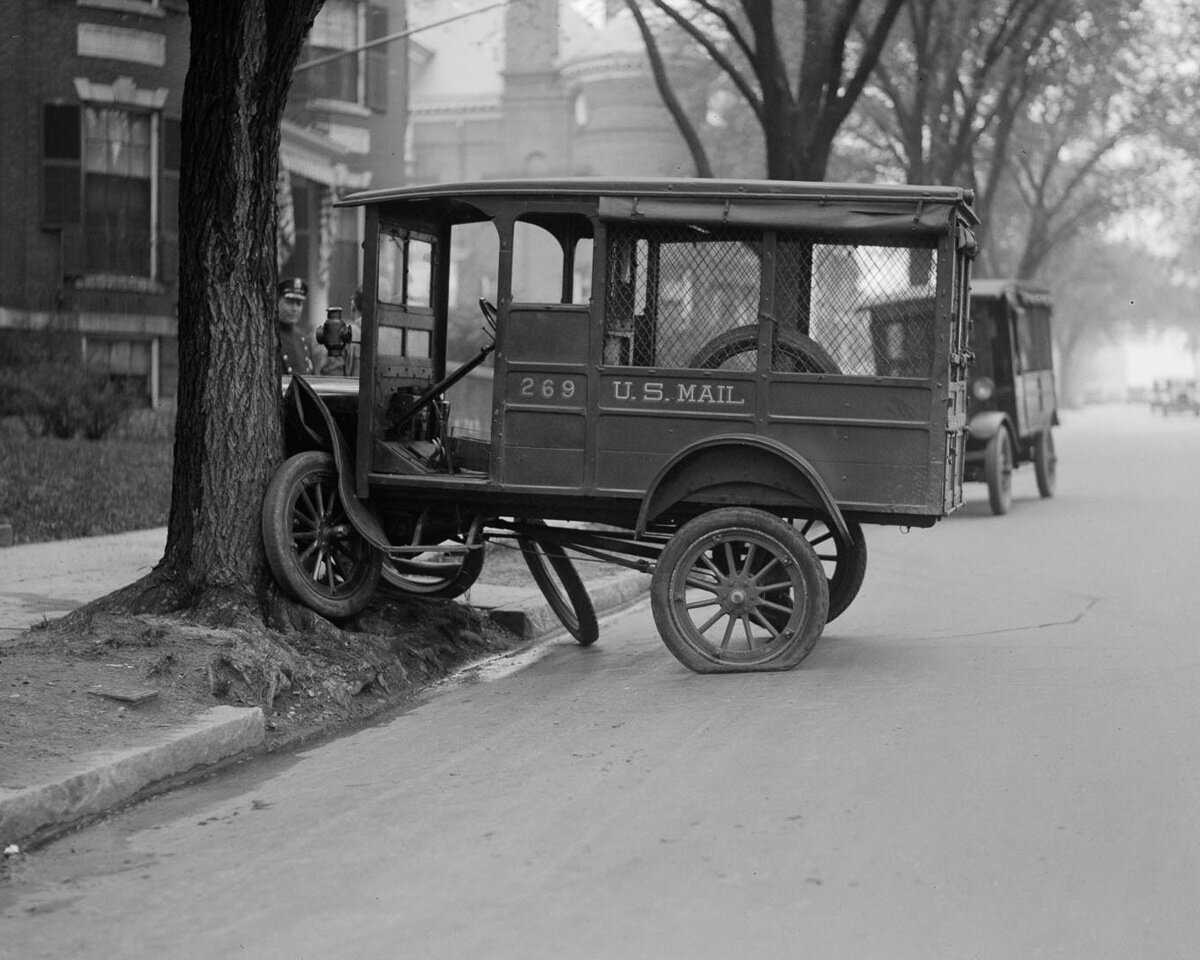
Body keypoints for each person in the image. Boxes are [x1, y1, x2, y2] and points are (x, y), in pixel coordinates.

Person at [276, 276, 315, 375]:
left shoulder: (303, 339)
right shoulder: (267, 337)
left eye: (299, 304)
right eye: (289, 302)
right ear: (276, 301)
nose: (294, 309)